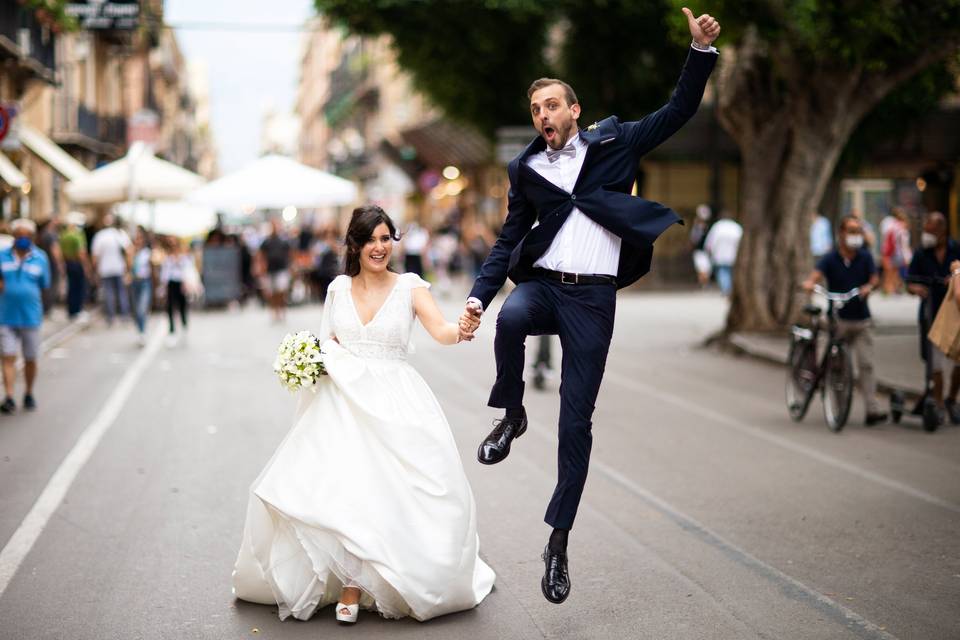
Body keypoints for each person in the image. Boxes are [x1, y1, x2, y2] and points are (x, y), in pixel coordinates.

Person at [458, 8, 720, 605]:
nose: (542, 115)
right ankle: (512, 413)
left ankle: (558, 542)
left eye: (552, 105)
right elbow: (507, 240)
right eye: (535, 110)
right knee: (511, 317)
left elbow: (677, 111)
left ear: (573, 111)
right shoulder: (525, 169)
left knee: (576, 424)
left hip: (593, 299)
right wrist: (477, 294)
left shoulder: (615, 142)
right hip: (545, 285)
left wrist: (698, 53)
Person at [232, 205, 495, 623]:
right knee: (349, 489)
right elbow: (326, 343)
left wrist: (462, 327)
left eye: (386, 238)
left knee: (390, 489)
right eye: (370, 239)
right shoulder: (337, 288)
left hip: (396, 401)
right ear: (354, 244)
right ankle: (350, 584)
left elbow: (442, 332)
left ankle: (373, 580)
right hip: (344, 402)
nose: (379, 247)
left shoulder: (410, 287)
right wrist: (305, 361)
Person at [801, 215, 887, 425]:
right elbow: (816, 275)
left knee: (866, 364)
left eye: (858, 231)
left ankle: (872, 409)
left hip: (861, 320)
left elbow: (874, 278)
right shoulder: (830, 258)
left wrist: (869, 287)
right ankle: (836, 405)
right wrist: (810, 284)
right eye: (851, 231)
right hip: (837, 321)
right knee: (833, 363)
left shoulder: (865, 256)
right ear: (841, 234)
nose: (855, 236)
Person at [907, 212, 960, 425]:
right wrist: (916, 288)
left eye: (931, 231)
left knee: (958, 360)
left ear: (942, 231)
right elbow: (909, 281)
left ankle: (951, 399)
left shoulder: (956, 251)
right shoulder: (921, 254)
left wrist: (955, 278)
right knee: (934, 362)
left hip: (954, 315)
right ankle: (937, 403)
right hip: (931, 314)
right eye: (925, 231)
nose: (927, 235)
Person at [0, 219, 51, 413]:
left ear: (33, 237)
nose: (23, 239)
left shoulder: (40, 258)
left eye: (27, 236)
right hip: (5, 315)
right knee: (8, 357)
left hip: (31, 316)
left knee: (30, 358)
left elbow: (45, 285)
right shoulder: (2, 256)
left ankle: (29, 392)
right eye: (19, 235)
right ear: (13, 236)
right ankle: (10, 396)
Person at [90, 214, 132, 326]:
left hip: (105, 269)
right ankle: (124, 316)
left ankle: (111, 317)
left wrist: (94, 269)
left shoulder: (100, 236)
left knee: (109, 293)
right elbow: (129, 252)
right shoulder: (121, 234)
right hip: (119, 268)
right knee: (121, 292)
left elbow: (95, 255)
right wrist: (128, 268)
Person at [159, 237, 193, 347]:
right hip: (171, 284)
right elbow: (165, 274)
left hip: (181, 283)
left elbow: (188, 270)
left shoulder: (184, 258)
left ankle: (184, 326)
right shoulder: (167, 259)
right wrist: (163, 287)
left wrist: (186, 283)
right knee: (170, 307)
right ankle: (172, 330)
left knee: (182, 306)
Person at [59, 212, 92, 321]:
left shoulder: (64, 235)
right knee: (79, 288)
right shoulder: (77, 235)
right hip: (77, 264)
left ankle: (71, 311)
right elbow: (81, 252)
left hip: (68, 263)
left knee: (71, 287)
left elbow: (61, 252)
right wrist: (86, 266)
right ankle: (77, 311)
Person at [259, 219, 292, 322]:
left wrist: (291, 267)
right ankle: (274, 312)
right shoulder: (266, 241)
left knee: (281, 292)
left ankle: (282, 311)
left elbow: (290, 254)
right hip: (270, 270)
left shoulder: (283, 241)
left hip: (281, 269)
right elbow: (261, 255)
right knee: (272, 293)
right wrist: (261, 267)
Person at [704, 209, 742, 295]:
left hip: (720, 255)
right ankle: (729, 289)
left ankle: (726, 289)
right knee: (731, 272)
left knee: (722, 272)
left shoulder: (717, 227)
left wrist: (709, 251)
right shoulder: (736, 227)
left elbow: (710, 242)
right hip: (733, 254)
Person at [130, 228, 153, 346]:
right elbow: (127, 266)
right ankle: (140, 330)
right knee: (136, 310)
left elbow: (152, 267)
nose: (138, 241)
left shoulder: (147, 253)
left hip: (145, 282)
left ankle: (142, 332)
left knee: (141, 309)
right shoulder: (131, 252)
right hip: (134, 283)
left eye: (140, 238)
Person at [690, 204, 713, 287]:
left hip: (706, 251)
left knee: (706, 269)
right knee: (702, 269)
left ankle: (704, 283)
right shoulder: (696, 228)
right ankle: (704, 284)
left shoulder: (709, 228)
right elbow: (694, 239)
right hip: (699, 251)